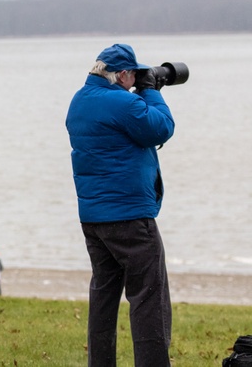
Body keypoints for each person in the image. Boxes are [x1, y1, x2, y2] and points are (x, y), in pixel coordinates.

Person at [66, 43, 175, 367]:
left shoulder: (79, 101)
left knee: (103, 296)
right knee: (148, 299)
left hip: (94, 219)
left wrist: (139, 90)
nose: (136, 81)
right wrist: (152, 90)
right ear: (123, 74)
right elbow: (162, 127)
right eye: (134, 75)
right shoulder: (121, 103)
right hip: (130, 218)